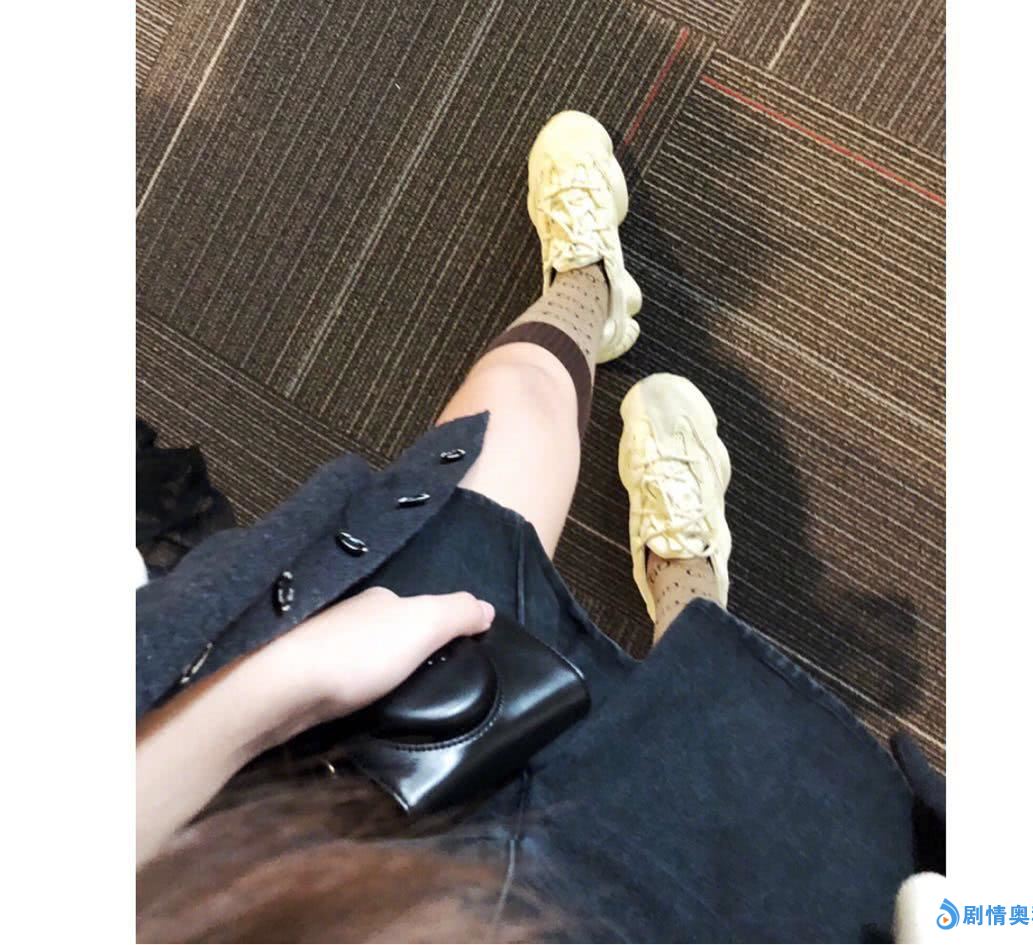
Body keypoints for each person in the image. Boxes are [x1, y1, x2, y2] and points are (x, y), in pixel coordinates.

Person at [136, 111, 938, 942]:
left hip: (297, 828)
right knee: (717, 748)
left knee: (505, 420)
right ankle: (692, 594)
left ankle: (589, 293)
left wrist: (278, 687)